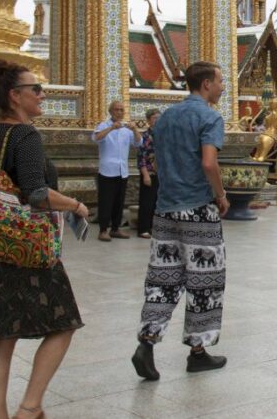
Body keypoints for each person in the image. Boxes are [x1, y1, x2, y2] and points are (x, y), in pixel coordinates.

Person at [0, 60, 89, 419]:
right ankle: (30, 407)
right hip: (26, 247)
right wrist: (76, 204)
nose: (42, 94)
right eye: (35, 88)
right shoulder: (25, 136)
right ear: (15, 96)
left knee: (2, 335)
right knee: (63, 324)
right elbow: (38, 193)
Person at [130, 61, 230, 381]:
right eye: (219, 81)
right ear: (205, 85)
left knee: (163, 279)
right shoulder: (209, 117)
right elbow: (209, 162)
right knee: (204, 281)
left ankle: (147, 341)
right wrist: (221, 195)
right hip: (198, 208)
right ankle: (198, 352)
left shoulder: (165, 118)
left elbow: (157, 162)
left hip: (164, 210)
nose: (222, 87)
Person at [92, 100, 141, 242]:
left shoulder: (126, 128)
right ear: (111, 111)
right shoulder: (103, 125)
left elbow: (139, 143)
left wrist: (135, 130)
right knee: (106, 201)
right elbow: (96, 138)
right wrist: (111, 128)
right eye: (116, 110)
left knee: (119, 202)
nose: (119, 112)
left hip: (122, 170)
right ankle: (102, 230)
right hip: (107, 170)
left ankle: (115, 228)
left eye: (121, 110)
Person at [137, 108, 161, 239]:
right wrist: (145, 174)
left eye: (159, 118)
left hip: (161, 173)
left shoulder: (164, 135)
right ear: (148, 121)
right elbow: (141, 157)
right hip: (149, 173)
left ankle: (154, 227)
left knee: (158, 202)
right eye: (154, 118)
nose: (157, 121)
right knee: (147, 202)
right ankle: (143, 228)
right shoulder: (145, 136)